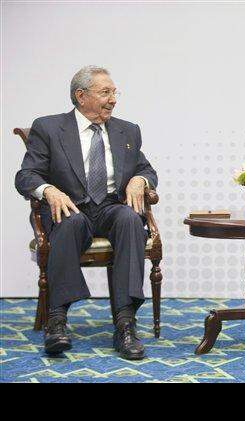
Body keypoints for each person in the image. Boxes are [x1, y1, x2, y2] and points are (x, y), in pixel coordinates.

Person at [15, 65, 158, 360]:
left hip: (108, 207)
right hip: (67, 207)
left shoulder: (126, 130)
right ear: (81, 96)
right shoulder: (49, 128)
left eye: (114, 92)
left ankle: (125, 325)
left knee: (130, 219)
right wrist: (49, 190)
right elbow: (26, 176)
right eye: (105, 92)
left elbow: (145, 167)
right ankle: (57, 321)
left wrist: (139, 179)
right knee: (71, 220)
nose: (113, 99)